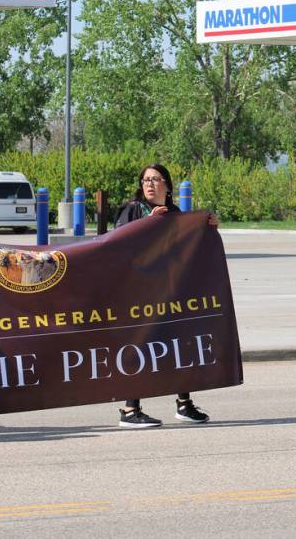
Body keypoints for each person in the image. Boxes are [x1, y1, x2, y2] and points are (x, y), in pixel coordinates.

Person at [113, 163, 218, 429]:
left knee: (179, 345)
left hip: (169, 291)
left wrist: (207, 227)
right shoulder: (133, 210)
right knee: (139, 347)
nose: (149, 184)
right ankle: (129, 409)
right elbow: (115, 245)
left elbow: (187, 245)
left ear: (167, 186)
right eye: (145, 179)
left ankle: (184, 405)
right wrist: (148, 224)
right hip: (139, 293)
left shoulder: (175, 214)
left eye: (155, 179)